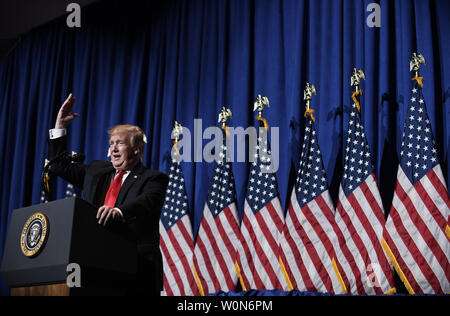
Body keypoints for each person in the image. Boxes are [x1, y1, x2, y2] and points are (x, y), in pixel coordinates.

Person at [47, 93, 169, 295]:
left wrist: (118, 212)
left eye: (120, 143)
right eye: (111, 143)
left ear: (137, 150)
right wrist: (60, 126)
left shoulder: (153, 178)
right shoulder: (97, 171)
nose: (113, 148)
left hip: (136, 269)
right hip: (96, 265)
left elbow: (147, 202)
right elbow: (58, 166)